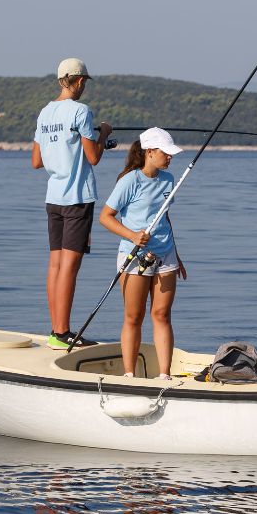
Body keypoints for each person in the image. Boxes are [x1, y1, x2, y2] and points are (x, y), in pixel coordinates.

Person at [32, 57, 112, 350]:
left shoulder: (45, 113)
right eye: (84, 83)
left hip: (53, 197)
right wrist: (103, 132)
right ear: (78, 81)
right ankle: (63, 332)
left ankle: (55, 329)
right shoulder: (81, 111)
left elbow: (36, 161)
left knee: (55, 265)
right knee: (69, 267)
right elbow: (94, 157)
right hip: (77, 198)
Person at [100, 127, 187, 379]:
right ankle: (129, 374)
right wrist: (132, 235)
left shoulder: (168, 180)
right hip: (134, 255)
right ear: (150, 152)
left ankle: (164, 375)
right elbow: (106, 217)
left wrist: (177, 255)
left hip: (165, 254)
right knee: (133, 316)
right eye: (165, 153)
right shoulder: (129, 181)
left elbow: (164, 217)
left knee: (161, 315)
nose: (170, 158)